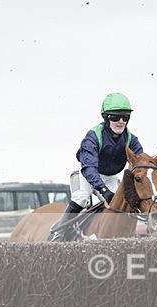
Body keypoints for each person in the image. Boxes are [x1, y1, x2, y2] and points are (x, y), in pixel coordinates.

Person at [49, 92, 144, 241]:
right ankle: (58, 234)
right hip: (84, 172)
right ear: (105, 117)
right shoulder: (93, 137)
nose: (121, 121)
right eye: (115, 117)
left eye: (125, 117)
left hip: (109, 176)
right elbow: (89, 169)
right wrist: (103, 190)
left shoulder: (131, 140)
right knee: (81, 199)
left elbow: (141, 164)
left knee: (119, 205)